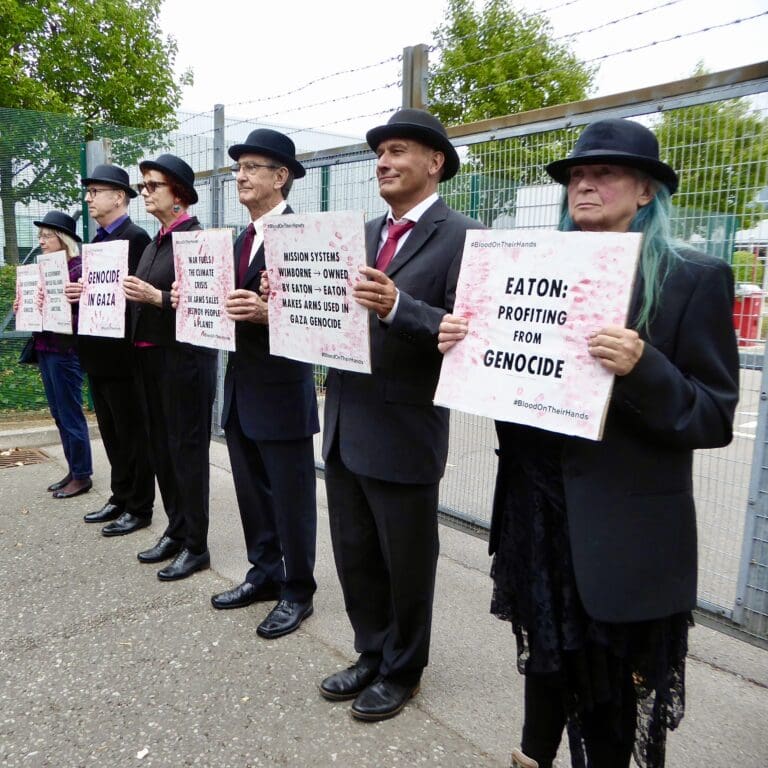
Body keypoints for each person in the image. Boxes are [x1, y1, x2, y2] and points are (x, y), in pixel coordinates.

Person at [438, 118, 739, 768]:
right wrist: (472, 351)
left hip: (624, 533)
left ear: (647, 191)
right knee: (544, 664)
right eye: (576, 174)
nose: (585, 184)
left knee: (609, 702)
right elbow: (514, 388)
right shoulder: (534, 268)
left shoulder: (693, 278)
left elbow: (714, 416)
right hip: (538, 517)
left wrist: (645, 367)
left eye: (603, 173)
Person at [318, 109, 480, 721]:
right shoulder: (358, 235)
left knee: (407, 559)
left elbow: (470, 334)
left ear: (434, 162)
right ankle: (371, 651)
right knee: (354, 548)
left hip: (406, 427)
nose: (383, 162)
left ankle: (404, 669)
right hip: (345, 422)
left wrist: (398, 307)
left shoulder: (465, 237)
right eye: (379, 153)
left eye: (398, 151)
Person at [208, 129, 319, 636]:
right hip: (242, 390)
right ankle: (265, 573)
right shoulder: (239, 239)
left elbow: (320, 320)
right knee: (252, 492)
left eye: (253, 167)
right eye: (238, 168)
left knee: (291, 497)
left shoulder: (305, 240)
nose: (241, 176)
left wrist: (268, 312)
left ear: (282, 177)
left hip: (282, 393)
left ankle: (298, 590)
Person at [125, 154, 217, 581]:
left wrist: (155, 298)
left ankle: (196, 544)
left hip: (184, 360)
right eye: (143, 186)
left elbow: (201, 306)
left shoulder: (197, 240)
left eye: (152, 186)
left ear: (177, 193)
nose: (145, 193)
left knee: (187, 451)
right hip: (149, 356)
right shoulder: (156, 241)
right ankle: (175, 529)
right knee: (161, 448)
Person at [63, 164, 155, 536]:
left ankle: (139, 505)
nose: (88, 198)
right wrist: (78, 295)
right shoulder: (96, 243)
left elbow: (139, 297)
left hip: (123, 355)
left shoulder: (136, 238)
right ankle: (120, 495)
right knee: (112, 432)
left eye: (95, 191)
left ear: (119, 197)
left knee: (133, 432)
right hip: (97, 353)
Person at [13, 211, 93, 498]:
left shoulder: (78, 270)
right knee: (59, 413)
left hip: (66, 350)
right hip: (45, 349)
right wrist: (25, 305)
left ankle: (83, 475)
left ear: (63, 239)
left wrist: (60, 306)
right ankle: (74, 469)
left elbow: (84, 314)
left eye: (47, 236)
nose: (42, 241)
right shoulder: (43, 270)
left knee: (71, 413)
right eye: (41, 236)